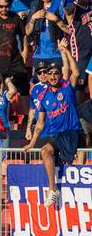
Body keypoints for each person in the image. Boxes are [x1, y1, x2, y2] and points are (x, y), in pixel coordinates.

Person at [23, 44, 82, 207]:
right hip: (56, 135)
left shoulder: (67, 88)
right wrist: (32, 143)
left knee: (71, 161)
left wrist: (67, 53)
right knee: (44, 151)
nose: (53, 76)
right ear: (47, 77)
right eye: (50, 74)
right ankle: (53, 189)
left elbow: (75, 72)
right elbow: (40, 124)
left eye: (56, 73)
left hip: (71, 132)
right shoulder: (43, 96)